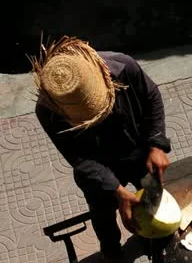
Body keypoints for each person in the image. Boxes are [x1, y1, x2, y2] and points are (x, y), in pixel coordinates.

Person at [30, 36, 171, 261]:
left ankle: (154, 236)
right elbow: (80, 159)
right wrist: (118, 191)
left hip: (137, 152)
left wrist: (156, 143)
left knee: (154, 198)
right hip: (98, 170)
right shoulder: (47, 110)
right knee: (103, 216)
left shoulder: (124, 66)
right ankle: (112, 251)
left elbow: (151, 97)